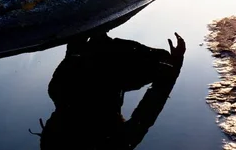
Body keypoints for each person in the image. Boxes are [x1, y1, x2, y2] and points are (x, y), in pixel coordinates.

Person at [32, 32, 185, 149]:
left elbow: (145, 116)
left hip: (83, 85)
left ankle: (84, 44)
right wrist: (173, 68)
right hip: (86, 83)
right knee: (162, 62)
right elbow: (145, 115)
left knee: (162, 63)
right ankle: (87, 43)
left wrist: (173, 68)